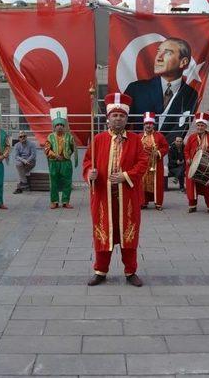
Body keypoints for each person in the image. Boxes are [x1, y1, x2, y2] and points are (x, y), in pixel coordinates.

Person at [83, 92, 148, 287]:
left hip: (127, 195)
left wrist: (126, 176)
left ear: (126, 118)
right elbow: (87, 162)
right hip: (103, 196)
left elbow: (143, 162)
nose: (118, 118)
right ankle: (100, 270)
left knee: (129, 233)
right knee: (103, 232)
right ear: (108, 118)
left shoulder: (136, 140)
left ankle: (130, 271)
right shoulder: (99, 139)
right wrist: (90, 174)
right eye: (114, 115)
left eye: (121, 116)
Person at [125, 38, 198, 144]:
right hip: (141, 150)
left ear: (183, 62)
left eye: (167, 53)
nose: (158, 58)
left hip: (172, 151)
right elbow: (123, 124)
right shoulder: (136, 89)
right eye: (158, 52)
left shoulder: (191, 94)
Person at [185, 113, 209, 214]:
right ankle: (192, 206)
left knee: (208, 187)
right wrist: (188, 158)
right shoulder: (191, 137)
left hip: (207, 166)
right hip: (193, 165)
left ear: (206, 126)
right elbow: (186, 150)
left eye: (202, 125)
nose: (200, 127)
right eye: (198, 125)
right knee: (193, 187)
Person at [44, 107, 78, 209]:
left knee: (67, 182)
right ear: (54, 127)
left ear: (64, 126)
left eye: (61, 125)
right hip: (54, 163)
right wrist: (55, 155)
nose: (59, 127)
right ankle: (54, 201)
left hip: (66, 163)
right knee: (53, 182)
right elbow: (46, 149)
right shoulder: (50, 137)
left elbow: (74, 149)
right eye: (57, 125)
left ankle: (65, 201)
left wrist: (67, 154)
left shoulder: (69, 137)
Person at [139, 112, 169, 210]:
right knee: (142, 183)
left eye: (150, 124)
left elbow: (165, 147)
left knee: (157, 184)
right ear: (144, 125)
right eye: (146, 124)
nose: (148, 125)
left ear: (153, 125)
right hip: (143, 165)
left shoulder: (159, 136)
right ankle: (143, 202)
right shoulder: (139, 137)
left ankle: (158, 203)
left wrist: (159, 153)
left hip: (155, 164)